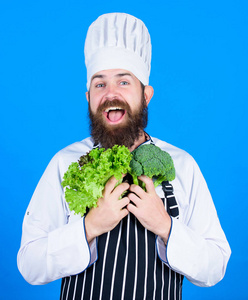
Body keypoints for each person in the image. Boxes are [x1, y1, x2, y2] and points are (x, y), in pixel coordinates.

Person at [17, 13, 231, 300]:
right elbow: (29, 264)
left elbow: (215, 266)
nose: (111, 94)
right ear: (89, 98)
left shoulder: (182, 165)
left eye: (124, 82)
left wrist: (164, 225)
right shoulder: (65, 162)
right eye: (100, 84)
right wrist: (89, 226)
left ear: (146, 95)